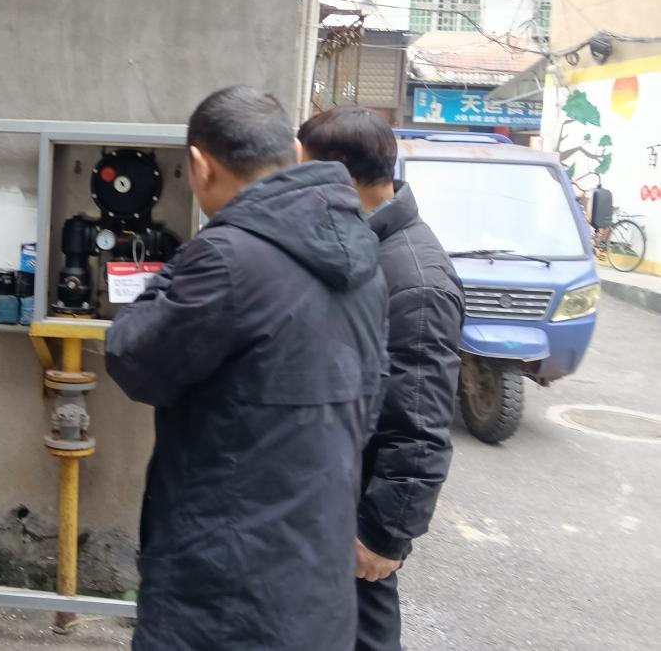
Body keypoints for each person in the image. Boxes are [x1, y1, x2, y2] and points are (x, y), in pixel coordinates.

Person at [105, 86, 389, 651]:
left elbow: (134, 359)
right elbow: (372, 398)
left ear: (200, 165)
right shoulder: (364, 260)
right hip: (318, 582)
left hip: (220, 595)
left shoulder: (226, 258)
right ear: (292, 152)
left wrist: (172, 270)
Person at [298, 106, 464, 651]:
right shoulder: (359, 244)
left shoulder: (414, 279)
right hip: (327, 498)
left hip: (357, 519)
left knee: (362, 635)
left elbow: (419, 424)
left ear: (336, 178)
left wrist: (383, 534)